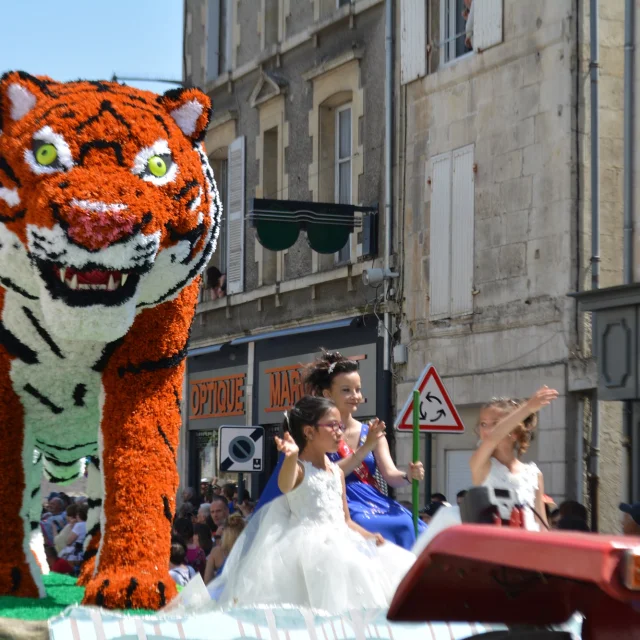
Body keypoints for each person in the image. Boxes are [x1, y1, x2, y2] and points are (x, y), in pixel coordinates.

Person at [205, 396, 415, 613]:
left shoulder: (337, 472)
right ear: (309, 431)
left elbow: (345, 520)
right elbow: (285, 484)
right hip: (306, 550)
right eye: (332, 425)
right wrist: (291, 457)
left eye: (340, 426)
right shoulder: (298, 468)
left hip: (341, 540)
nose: (339, 432)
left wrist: (369, 535)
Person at [304, 350, 426, 549]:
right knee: (368, 525)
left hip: (372, 499)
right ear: (328, 394)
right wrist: (365, 447)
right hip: (339, 501)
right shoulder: (318, 432)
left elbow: (390, 474)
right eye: (346, 390)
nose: (355, 396)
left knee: (413, 526)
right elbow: (327, 474)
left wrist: (408, 476)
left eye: (358, 390)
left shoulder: (371, 431)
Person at [469, 387, 559, 531]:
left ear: (515, 433)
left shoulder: (534, 474)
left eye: (495, 423)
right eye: (483, 424)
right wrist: (528, 408)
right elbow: (492, 439)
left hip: (528, 548)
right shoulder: (481, 464)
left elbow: (541, 523)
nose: (486, 430)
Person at [203, 513, 246, 583]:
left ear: (225, 532)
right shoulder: (250, 549)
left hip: (223, 592)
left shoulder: (216, 552)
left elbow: (207, 581)